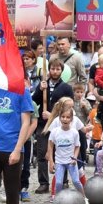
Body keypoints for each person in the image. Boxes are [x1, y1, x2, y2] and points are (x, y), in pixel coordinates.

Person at [32, 59, 73, 194]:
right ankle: (43, 182)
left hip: (59, 124)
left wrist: (53, 115)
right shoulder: (43, 85)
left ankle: (63, 180)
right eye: (52, 69)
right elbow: (35, 100)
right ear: (49, 70)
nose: (55, 71)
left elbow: (69, 107)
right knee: (42, 152)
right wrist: (39, 89)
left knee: (62, 152)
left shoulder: (66, 88)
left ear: (61, 71)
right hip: (44, 125)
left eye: (57, 69)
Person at [48, 107, 84, 195]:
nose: (65, 119)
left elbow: (77, 146)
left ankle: (83, 197)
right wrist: (51, 162)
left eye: (68, 117)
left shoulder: (74, 132)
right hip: (59, 161)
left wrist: (75, 157)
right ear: (59, 118)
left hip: (71, 161)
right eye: (63, 116)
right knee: (59, 183)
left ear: (71, 119)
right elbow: (50, 146)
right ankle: (57, 201)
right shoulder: (55, 132)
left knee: (76, 181)